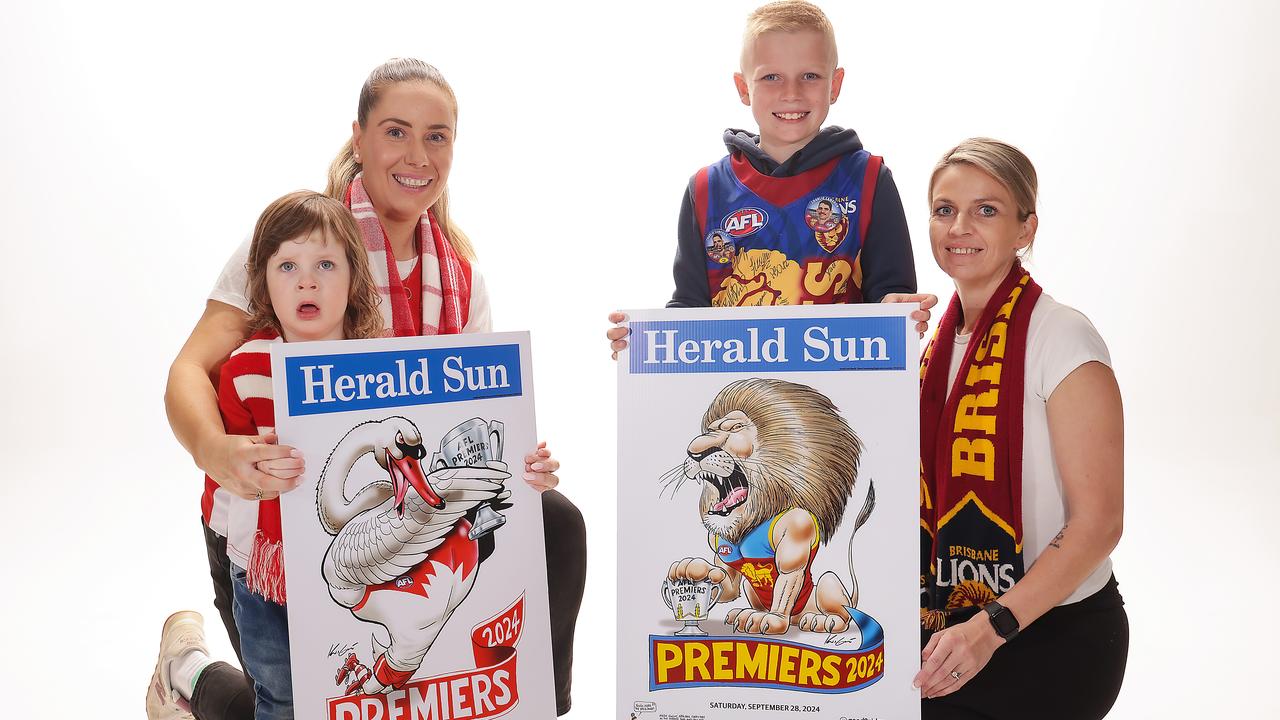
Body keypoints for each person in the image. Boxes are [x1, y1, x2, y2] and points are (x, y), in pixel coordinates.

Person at [152, 59, 585, 719]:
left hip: (397, 527)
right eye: (396, 132)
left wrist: (521, 462)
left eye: (437, 136)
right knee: (296, 706)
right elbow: (188, 370)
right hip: (274, 538)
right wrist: (219, 452)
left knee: (554, 520)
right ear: (358, 138)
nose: (417, 155)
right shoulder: (298, 248)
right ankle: (187, 673)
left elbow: (472, 418)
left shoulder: (460, 276)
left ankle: (535, 706)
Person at [914, 138, 1127, 719]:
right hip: (944, 630)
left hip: (1052, 638)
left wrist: (991, 628)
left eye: (987, 209)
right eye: (943, 209)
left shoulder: (1062, 337)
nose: (960, 226)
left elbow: (1099, 524)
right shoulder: (930, 346)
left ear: (1025, 229)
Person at [607, 0, 934, 354]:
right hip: (739, 394)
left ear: (835, 85)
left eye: (810, 76)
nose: (791, 93)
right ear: (743, 88)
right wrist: (641, 346)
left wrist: (898, 312)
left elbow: (892, 293)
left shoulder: (870, 180)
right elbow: (690, 309)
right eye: (770, 77)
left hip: (843, 393)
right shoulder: (705, 190)